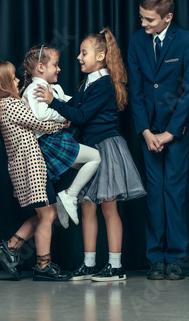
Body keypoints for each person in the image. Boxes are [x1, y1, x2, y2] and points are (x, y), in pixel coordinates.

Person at [35, 28, 146, 282]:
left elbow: (83, 115)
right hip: (92, 147)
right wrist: (67, 123)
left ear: (101, 56)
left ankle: (116, 267)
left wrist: (53, 101)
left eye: (84, 53)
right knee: (87, 208)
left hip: (106, 148)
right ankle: (89, 264)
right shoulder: (87, 83)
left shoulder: (104, 84)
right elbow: (81, 117)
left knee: (108, 208)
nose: (78, 57)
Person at [0, 61, 71, 281]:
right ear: (2, 83)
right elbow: (40, 124)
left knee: (46, 213)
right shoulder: (10, 104)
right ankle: (42, 266)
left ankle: (10, 247)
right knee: (48, 213)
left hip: (25, 167)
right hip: (31, 166)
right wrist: (63, 122)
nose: (18, 80)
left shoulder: (3, 105)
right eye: (13, 77)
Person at [127, 0, 189, 280]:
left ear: (167, 17)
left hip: (175, 134)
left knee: (174, 194)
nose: (143, 24)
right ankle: (156, 258)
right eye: (141, 18)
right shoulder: (136, 41)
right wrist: (145, 131)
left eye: (150, 20)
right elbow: (137, 90)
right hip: (149, 133)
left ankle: (176, 258)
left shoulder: (186, 40)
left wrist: (170, 132)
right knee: (154, 195)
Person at [21, 44, 101, 227]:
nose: (59, 69)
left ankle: (65, 202)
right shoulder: (36, 88)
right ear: (41, 68)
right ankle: (69, 195)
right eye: (55, 65)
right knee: (95, 157)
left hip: (54, 140)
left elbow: (65, 104)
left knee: (88, 165)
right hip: (49, 142)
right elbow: (40, 115)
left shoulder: (49, 87)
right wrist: (62, 115)